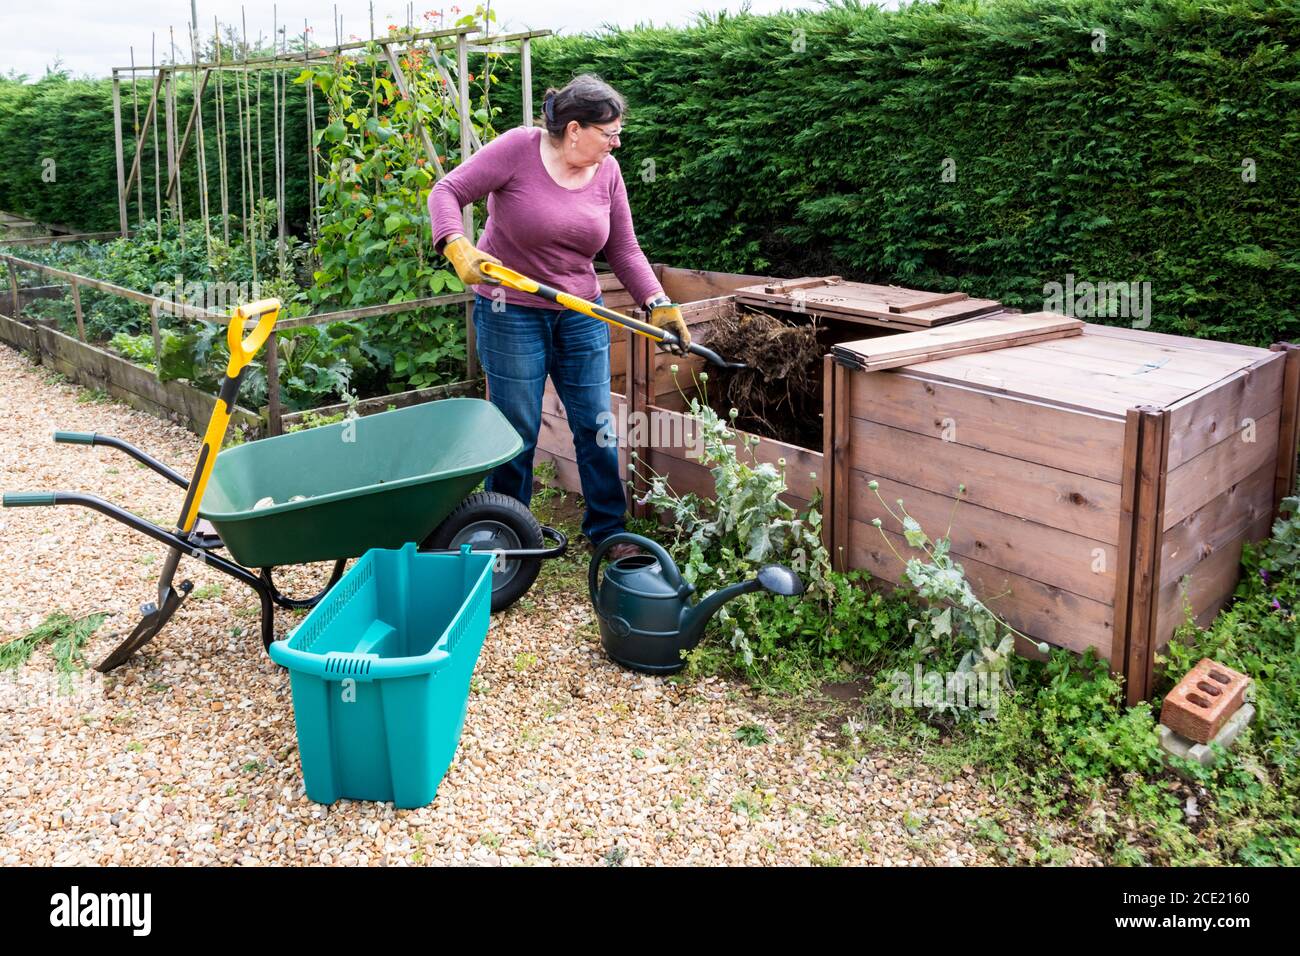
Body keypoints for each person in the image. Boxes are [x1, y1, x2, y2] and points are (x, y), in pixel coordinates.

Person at [428, 74, 688, 558]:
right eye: (609, 133)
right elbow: (446, 191)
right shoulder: (516, 150)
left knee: (595, 424)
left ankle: (609, 532)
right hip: (512, 308)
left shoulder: (607, 171)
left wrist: (657, 302)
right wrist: (455, 242)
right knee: (517, 427)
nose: (616, 142)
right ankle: (504, 533)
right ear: (574, 129)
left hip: (579, 310)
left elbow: (624, 248)